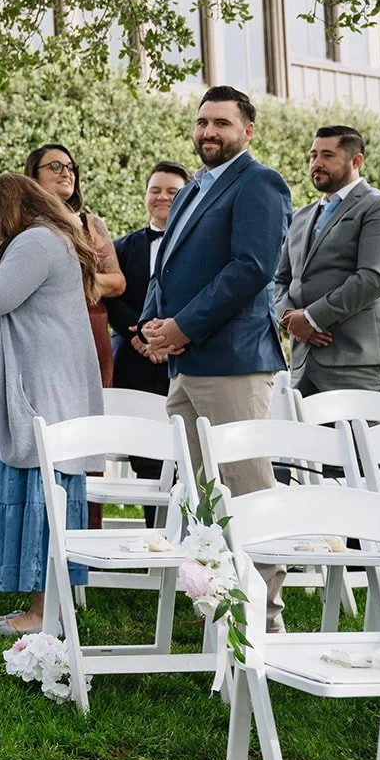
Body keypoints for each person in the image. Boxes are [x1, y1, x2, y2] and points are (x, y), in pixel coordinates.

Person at [139, 85, 291, 630]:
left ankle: (265, 617)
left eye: (222, 123)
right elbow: (167, 266)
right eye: (203, 122)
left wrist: (183, 326)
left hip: (232, 361)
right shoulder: (192, 189)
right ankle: (221, 607)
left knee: (247, 487)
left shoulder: (260, 183)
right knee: (204, 495)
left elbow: (250, 270)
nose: (209, 132)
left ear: (247, 130)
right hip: (186, 363)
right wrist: (155, 325)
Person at [0, 174, 104, 637]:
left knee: (42, 494)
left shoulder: (36, 241)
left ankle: (41, 614)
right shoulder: (52, 238)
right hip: (48, 385)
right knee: (42, 493)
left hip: (42, 391)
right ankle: (41, 607)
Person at [26, 144, 124, 529]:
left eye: (71, 167)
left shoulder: (90, 224)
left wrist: (73, 281)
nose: (66, 172)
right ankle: (42, 528)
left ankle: (87, 531)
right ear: (33, 175)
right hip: (44, 338)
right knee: (45, 427)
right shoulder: (22, 226)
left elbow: (116, 281)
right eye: (55, 166)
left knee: (87, 430)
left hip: (90, 333)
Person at [274, 125, 380, 396]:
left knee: (359, 440)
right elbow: (280, 279)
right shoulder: (300, 216)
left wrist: (312, 318)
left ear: (356, 160)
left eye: (327, 155)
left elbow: (373, 279)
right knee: (305, 440)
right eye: (313, 156)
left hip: (357, 364)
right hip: (303, 364)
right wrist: (289, 317)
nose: (317, 163)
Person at [107, 160, 190, 523]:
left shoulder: (200, 246)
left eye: (172, 191)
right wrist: (140, 336)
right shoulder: (121, 248)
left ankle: (194, 531)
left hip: (185, 352)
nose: (162, 197)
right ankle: (154, 531)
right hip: (133, 356)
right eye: (155, 190)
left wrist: (169, 341)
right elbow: (108, 296)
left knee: (188, 447)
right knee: (147, 448)